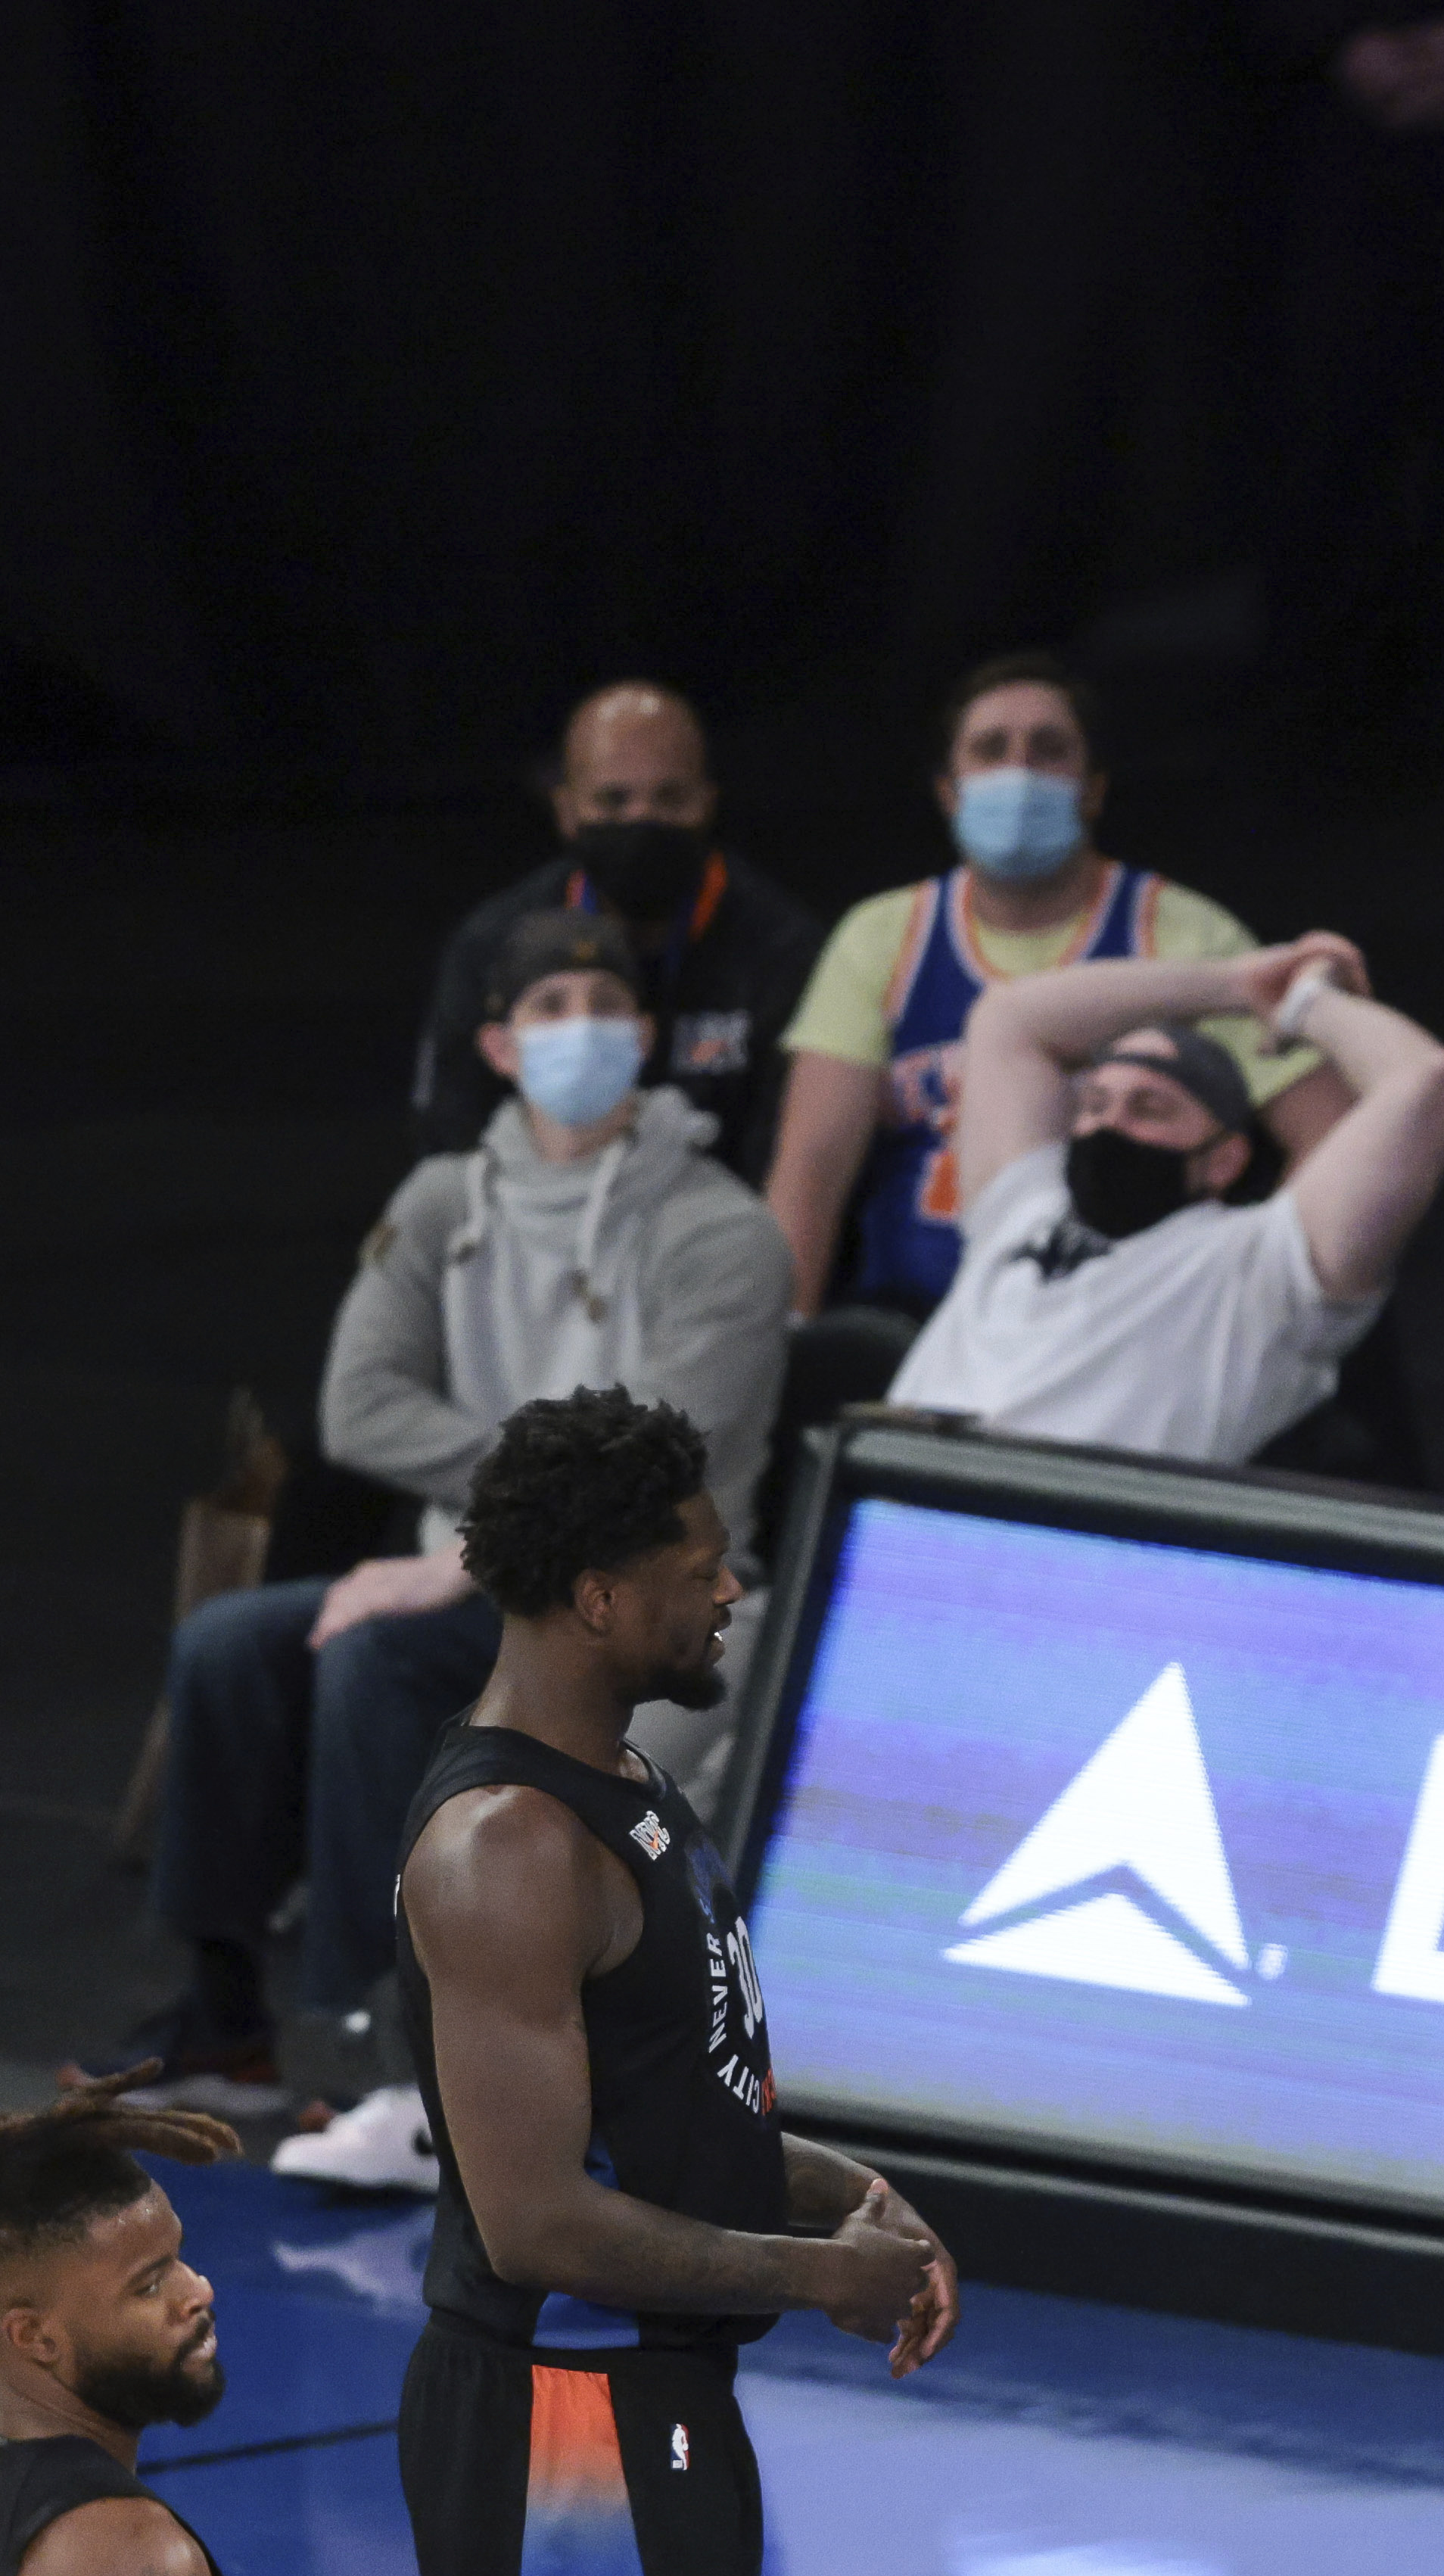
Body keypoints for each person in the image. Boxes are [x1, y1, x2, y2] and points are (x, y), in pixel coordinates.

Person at [101, 914, 792, 2138]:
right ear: (497, 1040)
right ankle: (223, 2020)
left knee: (370, 1659)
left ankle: (394, 2039)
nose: (580, 1026)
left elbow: (670, 1469)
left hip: (638, 1604)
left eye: (605, 1002)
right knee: (232, 1646)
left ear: (646, 1035)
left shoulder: (722, 1229)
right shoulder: (440, 1201)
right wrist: (508, 1524)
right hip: (464, 1570)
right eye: (548, 1005)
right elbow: (359, 1407)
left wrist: (493, 1541)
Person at [395, 1388, 957, 2576]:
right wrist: (819, 2274)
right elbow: (536, 2221)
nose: (729, 1594)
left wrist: (853, 2194)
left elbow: (669, 2104)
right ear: (599, 1599)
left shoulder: (627, 1787)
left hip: (654, 2383)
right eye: (700, 1572)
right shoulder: (510, 1850)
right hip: (559, 2409)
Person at [764, 653, 1340, 1327]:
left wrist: (1251, 1303)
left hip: (1121, 1324)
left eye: (1049, 750)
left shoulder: (1185, 938)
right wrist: (780, 1357)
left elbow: (1330, 1131)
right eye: (990, 751)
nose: (1019, 771)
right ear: (949, 790)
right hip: (914, 1326)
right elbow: (808, 1177)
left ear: (1093, 789)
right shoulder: (882, 937)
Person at [883, 935, 1444, 1462]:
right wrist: (1239, 982)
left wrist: (1306, 1001)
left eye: (1149, 1109)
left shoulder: (1264, 1269)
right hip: (899, 1514)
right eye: (1096, 1104)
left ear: (1224, 1159)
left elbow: (1424, 1078)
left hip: (1074, 1550)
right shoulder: (1021, 1206)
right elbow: (1009, 1016)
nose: (1111, 1125)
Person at [409, 681, 823, 1184]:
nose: (642, 821)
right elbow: (454, 1143)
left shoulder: (784, 952)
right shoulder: (492, 948)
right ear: (566, 810)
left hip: (714, 1241)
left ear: (708, 803)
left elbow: (791, 1166)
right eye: (612, 801)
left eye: (671, 797)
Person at [0, 2073, 248, 2576]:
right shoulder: (125, 2557)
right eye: (149, 2284)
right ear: (35, 2336)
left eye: (179, 2258)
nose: (200, 2291)